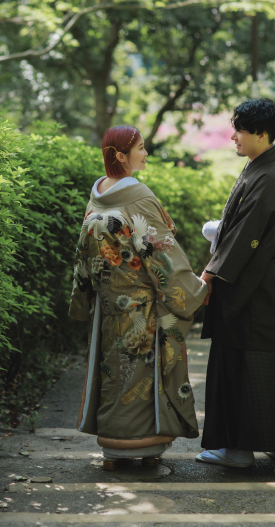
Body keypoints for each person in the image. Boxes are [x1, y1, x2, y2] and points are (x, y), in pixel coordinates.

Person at [69, 125, 209, 470]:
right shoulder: (138, 194)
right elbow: (160, 250)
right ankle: (144, 447)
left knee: (114, 371)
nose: (145, 153)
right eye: (141, 148)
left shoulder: (99, 193)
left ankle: (112, 448)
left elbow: (84, 253)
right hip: (142, 307)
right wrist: (195, 289)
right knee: (142, 373)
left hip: (108, 306)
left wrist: (83, 299)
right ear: (121, 155)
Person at [196, 98, 275, 468]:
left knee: (241, 364)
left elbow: (245, 236)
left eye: (240, 131)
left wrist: (209, 275)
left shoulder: (269, 176)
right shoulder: (265, 169)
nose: (234, 137)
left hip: (252, 292)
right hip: (268, 291)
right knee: (271, 366)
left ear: (261, 134)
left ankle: (238, 450)